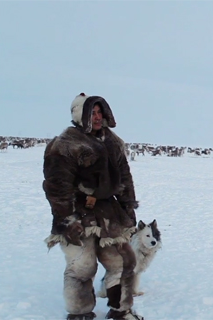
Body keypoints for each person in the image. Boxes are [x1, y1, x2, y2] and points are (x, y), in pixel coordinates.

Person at [43, 93, 142, 320]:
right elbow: (57, 186)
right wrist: (67, 219)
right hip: (77, 213)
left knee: (122, 261)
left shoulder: (113, 141)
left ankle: (121, 309)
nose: (97, 117)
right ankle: (80, 313)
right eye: (92, 113)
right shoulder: (66, 144)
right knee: (82, 266)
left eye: (99, 112)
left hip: (109, 213)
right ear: (80, 115)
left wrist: (129, 207)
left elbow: (125, 177)